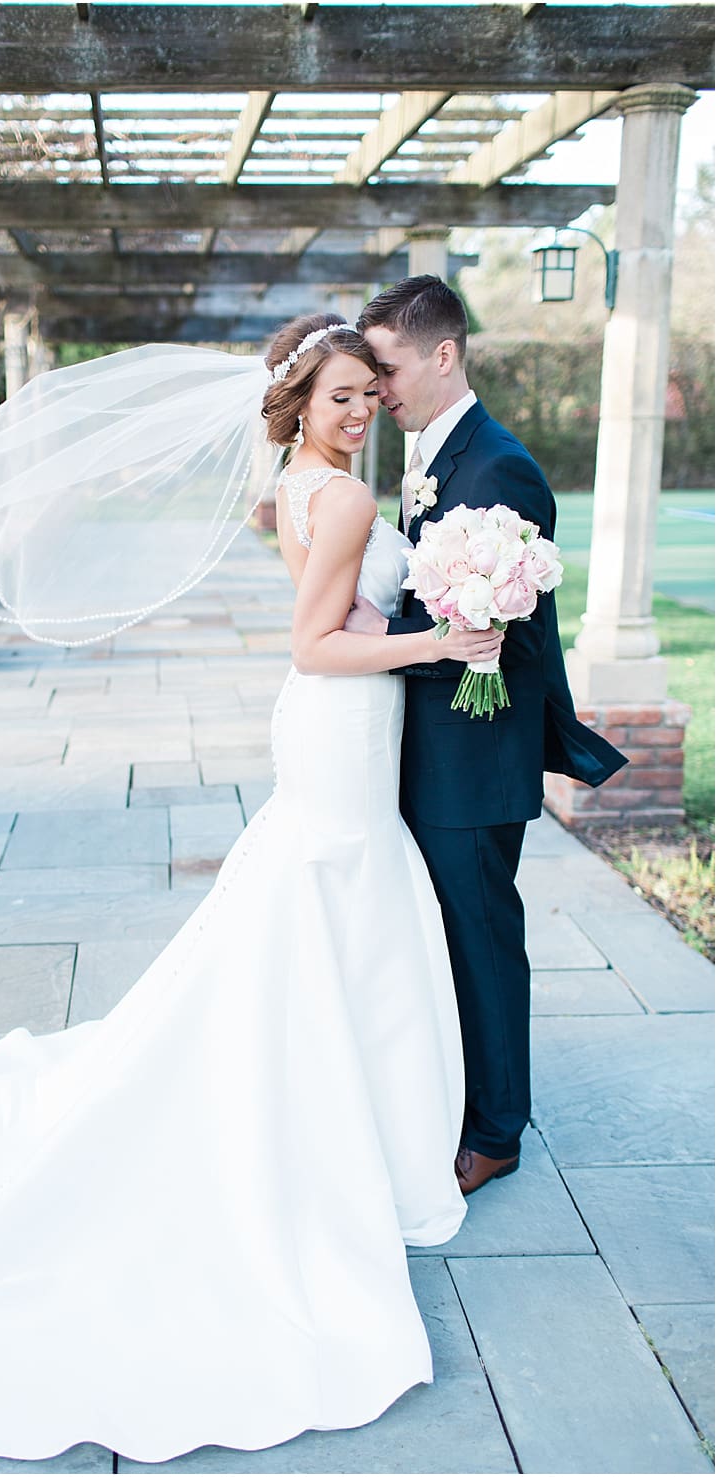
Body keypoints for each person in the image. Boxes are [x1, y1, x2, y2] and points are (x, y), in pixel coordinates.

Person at [0, 316, 512, 1463]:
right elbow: (314, 645)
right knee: (340, 901)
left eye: (365, 395)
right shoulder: (343, 496)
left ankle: (341, 1105)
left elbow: (331, 609)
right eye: (340, 396)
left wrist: (386, 616)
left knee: (322, 908)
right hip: (341, 715)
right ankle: (351, 1132)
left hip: (333, 734)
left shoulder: (300, 485)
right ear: (300, 402)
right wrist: (443, 641)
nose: (356, 413)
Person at [348, 275, 626, 1196]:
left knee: (480, 937)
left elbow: (485, 638)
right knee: (441, 933)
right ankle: (453, 1093)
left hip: (473, 757)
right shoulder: (429, 450)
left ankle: (496, 1131)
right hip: (428, 744)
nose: (374, 387)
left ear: (441, 353)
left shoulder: (497, 466)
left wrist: (353, 644)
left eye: (383, 367)